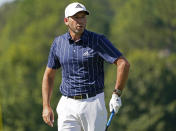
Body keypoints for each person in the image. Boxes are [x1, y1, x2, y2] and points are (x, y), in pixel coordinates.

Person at [42, 2, 130, 131]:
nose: (81, 21)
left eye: (83, 17)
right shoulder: (58, 43)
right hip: (67, 104)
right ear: (66, 21)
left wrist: (116, 94)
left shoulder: (97, 40)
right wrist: (46, 105)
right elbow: (49, 75)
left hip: (93, 103)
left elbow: (123, 64)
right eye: (76, 17)